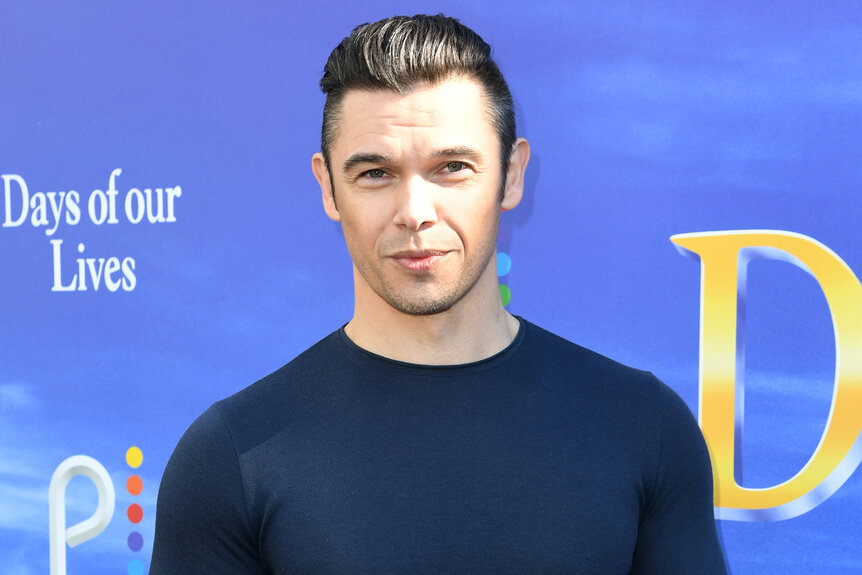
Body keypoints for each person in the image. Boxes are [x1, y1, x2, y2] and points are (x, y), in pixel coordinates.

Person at [151, 14, 727, 574]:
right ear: (328, 188)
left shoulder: (641, 426)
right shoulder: (232, 458)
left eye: (452, 167)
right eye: (375, 173)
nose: (415, 214)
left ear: (512, 174)